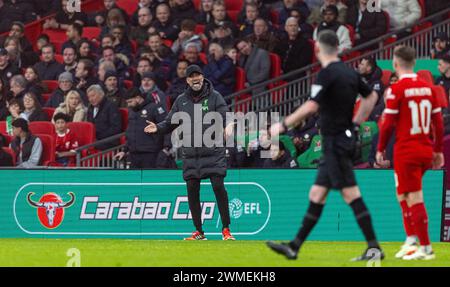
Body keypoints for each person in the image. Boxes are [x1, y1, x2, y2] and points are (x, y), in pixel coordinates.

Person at [266, 30, 382, 261]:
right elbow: (371, 98)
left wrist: (283, 124)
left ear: (318, 49)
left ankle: (374, 247)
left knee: (351, 195)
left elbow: (311, 107)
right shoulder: (350, 73)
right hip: (340, 140)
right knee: (317, 194)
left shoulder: (327, 74)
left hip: (335, 142)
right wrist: (356, 123)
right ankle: (294, 247)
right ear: (337, 48)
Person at [144, 64, 236, 241]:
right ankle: (199, 232)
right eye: (192, 76)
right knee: (192, 191)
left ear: (203, 77)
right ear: (187, 80)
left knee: (218, 187)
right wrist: (157, 127)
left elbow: (227, 115)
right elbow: (170, 122)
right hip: (191, 154)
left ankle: (226, 229)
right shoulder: (181, 100)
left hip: (213, 151)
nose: (196, 79)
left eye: (198, 75)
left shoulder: (215, 96)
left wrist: (230, 125)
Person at [376, 46, 444, 260]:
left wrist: (379, 149)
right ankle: (411, 241)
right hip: (424, 148)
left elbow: (387, 125)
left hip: (407, 150)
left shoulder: (397, 89)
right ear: (415, 63)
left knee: (414, 197)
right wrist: (438, 150)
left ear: (395, 64)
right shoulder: (428, 88)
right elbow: (439, 124)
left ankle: (425, 247)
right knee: (403, 194)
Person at [114, 87, 169, 168]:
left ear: (138, 98)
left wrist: (166, 148)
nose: (128, 105)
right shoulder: (132, 111)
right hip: (134, 155)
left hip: (151, 154)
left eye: (130, 102)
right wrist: (124, 151)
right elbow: (130, 132)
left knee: (150, 179)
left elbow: (166, 127)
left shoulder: (154, 108)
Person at [86, 84, 122, 150]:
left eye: (93, 96)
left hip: (109, 141)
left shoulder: (111, 106)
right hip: (95, 139)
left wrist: (98, 136)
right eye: (89, 97)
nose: (91, 99)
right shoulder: (90, 108)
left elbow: (116, 128)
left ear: (101, 94)